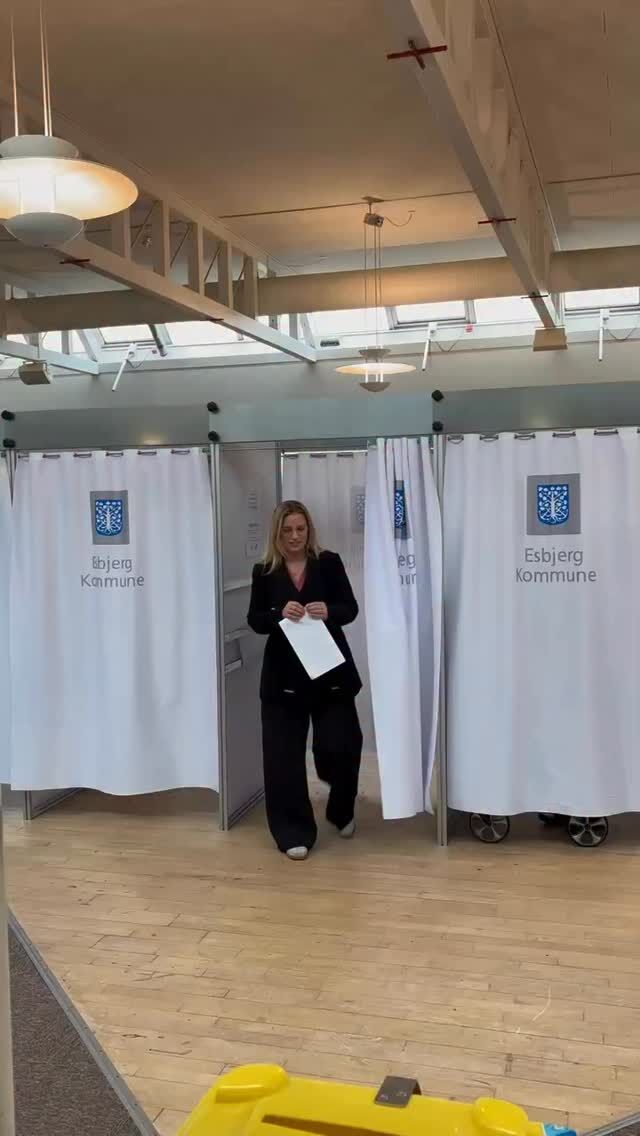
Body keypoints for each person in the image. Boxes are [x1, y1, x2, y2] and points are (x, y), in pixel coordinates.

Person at [248, 500, 363, 861]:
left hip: (330, 674)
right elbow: (255, 619)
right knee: (282, 759)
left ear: (309, 530)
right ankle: (292, 830)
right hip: (283, 678)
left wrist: (330, 611)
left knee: (342, 746)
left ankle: (341, 809)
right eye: (287, 530)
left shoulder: (328, 562)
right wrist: (277, 613)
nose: (295, 536)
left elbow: (349, 608)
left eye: (300, 529)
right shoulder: (264, 571)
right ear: (277, 533)